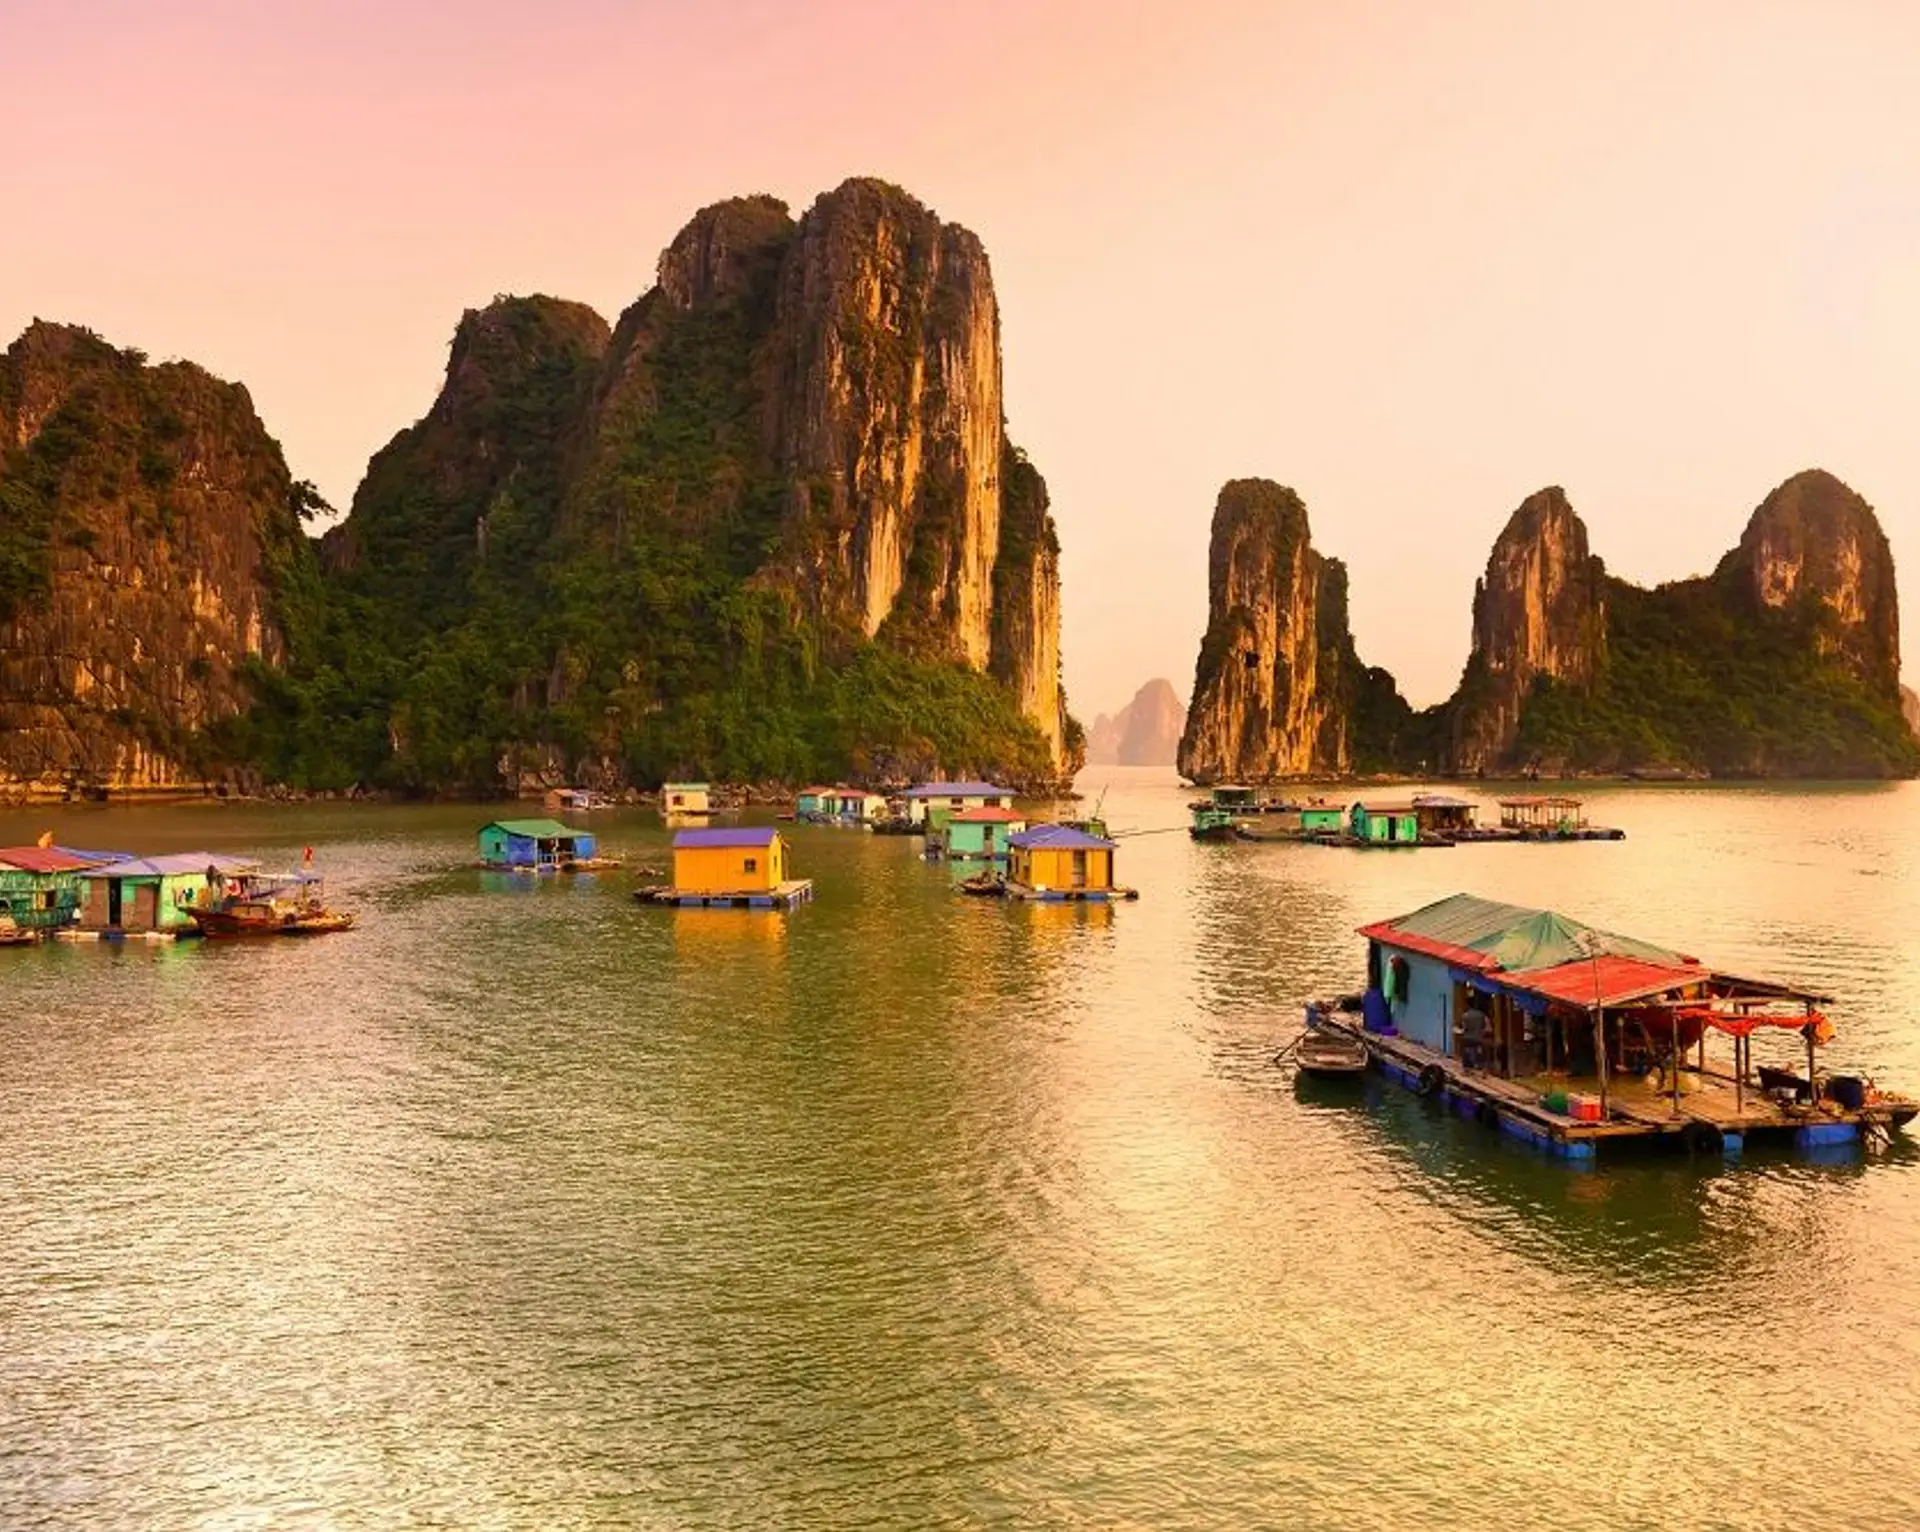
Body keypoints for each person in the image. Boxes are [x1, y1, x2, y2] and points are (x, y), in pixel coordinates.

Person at [1459, 996, 1490, 1070]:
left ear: (1467, 1005)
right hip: (1479, 1039)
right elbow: (1488, 1028)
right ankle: (1480, 1067)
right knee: (1479, 1054)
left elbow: (1464, 1029)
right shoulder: (1483, 1015)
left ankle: (1467, 1068)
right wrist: (1481, 1032)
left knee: (1466, 1054)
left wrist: (1458, 1030)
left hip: (1468, 1040)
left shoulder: (1465, 1015)